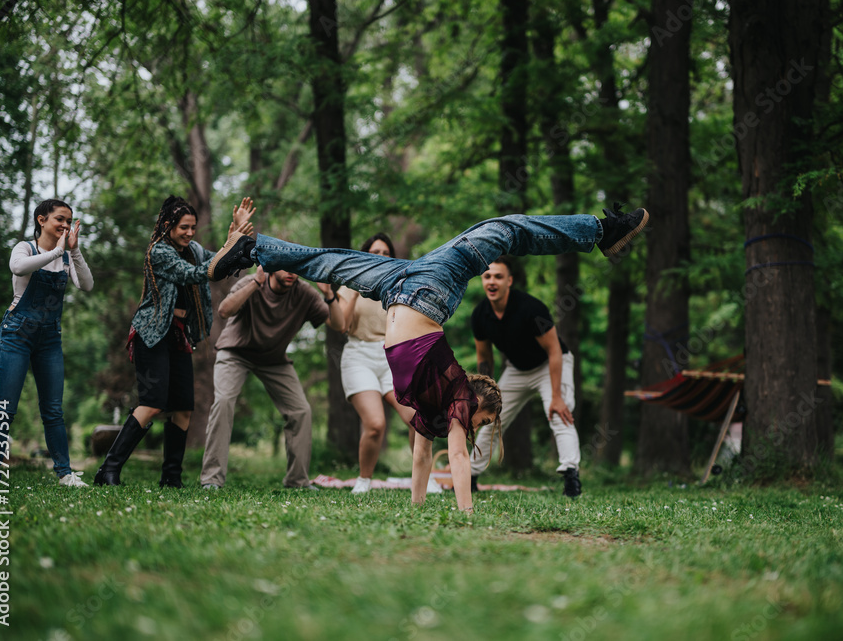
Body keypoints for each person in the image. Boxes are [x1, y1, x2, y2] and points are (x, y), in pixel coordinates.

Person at [207, 204, 648, 512]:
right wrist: (467, 513)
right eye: (482, 421)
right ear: (476, 405)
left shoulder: (430, 413)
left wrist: (418, 508)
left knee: (330, 261)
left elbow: (423, 461)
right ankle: (602, 232)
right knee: (505, 229)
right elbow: (456, 461)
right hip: (427, 289)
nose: (476, 428)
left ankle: (250, 250)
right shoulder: (456, 399)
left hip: (401, 285)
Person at [93, 195, 254, 488]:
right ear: (168, 226)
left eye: (193, 227)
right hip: (152, 334)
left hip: (179, 334)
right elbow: (195, 275)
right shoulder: (160, 252)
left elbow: (219, 259)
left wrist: (236, 233)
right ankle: (108, 469)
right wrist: (229, 244)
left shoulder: (192, 249)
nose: (190, 233)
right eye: (184, 227)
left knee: (182, 406)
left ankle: (171, 477)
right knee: (153, 403)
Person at [0, 199, 94, 489]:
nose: (66, 226)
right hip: (16, 335)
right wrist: (58, 250)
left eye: (69, 221)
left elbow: (87, 285)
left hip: (49, 340)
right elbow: (18, 268)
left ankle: (65, 473)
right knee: (4, 407)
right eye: (60, 219)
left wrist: (74, 251)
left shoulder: (66, 256)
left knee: (54, 410)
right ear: (41, 219)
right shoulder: (25, 248)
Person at [199, 265, 334, 490]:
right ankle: (212, 479)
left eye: (296, 268)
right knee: (223, 402)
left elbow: (338, 324)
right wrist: (255, 284)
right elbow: (224, 311)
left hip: (273, 359)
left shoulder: (304, 292)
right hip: (236, 352)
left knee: (301, 411)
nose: (291, 272)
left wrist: (329, 295)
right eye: (285, 266)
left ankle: (297, 481)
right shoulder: (252, 282)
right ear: (271, 267)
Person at [322, 233, 430, 495]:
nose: (380, 257)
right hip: (359, 356)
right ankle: (364, 479)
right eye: (375, 252)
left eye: (385, 253)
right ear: (365, 256)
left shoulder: (400, 286)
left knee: (419, 419)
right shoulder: (349, 286)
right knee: (375, 425)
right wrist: (358, 287)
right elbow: (341, 325)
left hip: (393, 357)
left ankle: (424, 477)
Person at [469, 256, 583, 497]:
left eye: (498, 276)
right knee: (491, 418)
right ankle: (469, 476)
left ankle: (571, 478)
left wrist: (556, 396)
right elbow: (484, 358)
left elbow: (554, 351)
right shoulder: (480, 315)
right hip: (517, 370)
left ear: (509, 281)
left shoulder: (532, 309)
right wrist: (484, 396)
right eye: (487, 276)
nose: (492, 281)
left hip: (550, 364)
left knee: (559, 413)